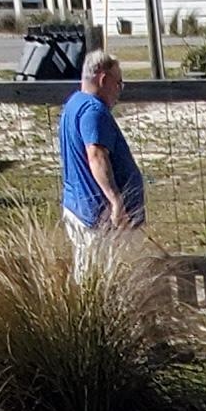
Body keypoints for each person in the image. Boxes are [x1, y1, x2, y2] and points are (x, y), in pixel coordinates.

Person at [55, 47, 146, 264]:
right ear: (104, 79)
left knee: (88, 268)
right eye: (118, 83)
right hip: (100, 219)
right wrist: (116, 201)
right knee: (107, 276)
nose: (119, 90)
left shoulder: (73, 104)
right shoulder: (93, 111)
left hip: (80, 208)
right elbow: (96, 155)